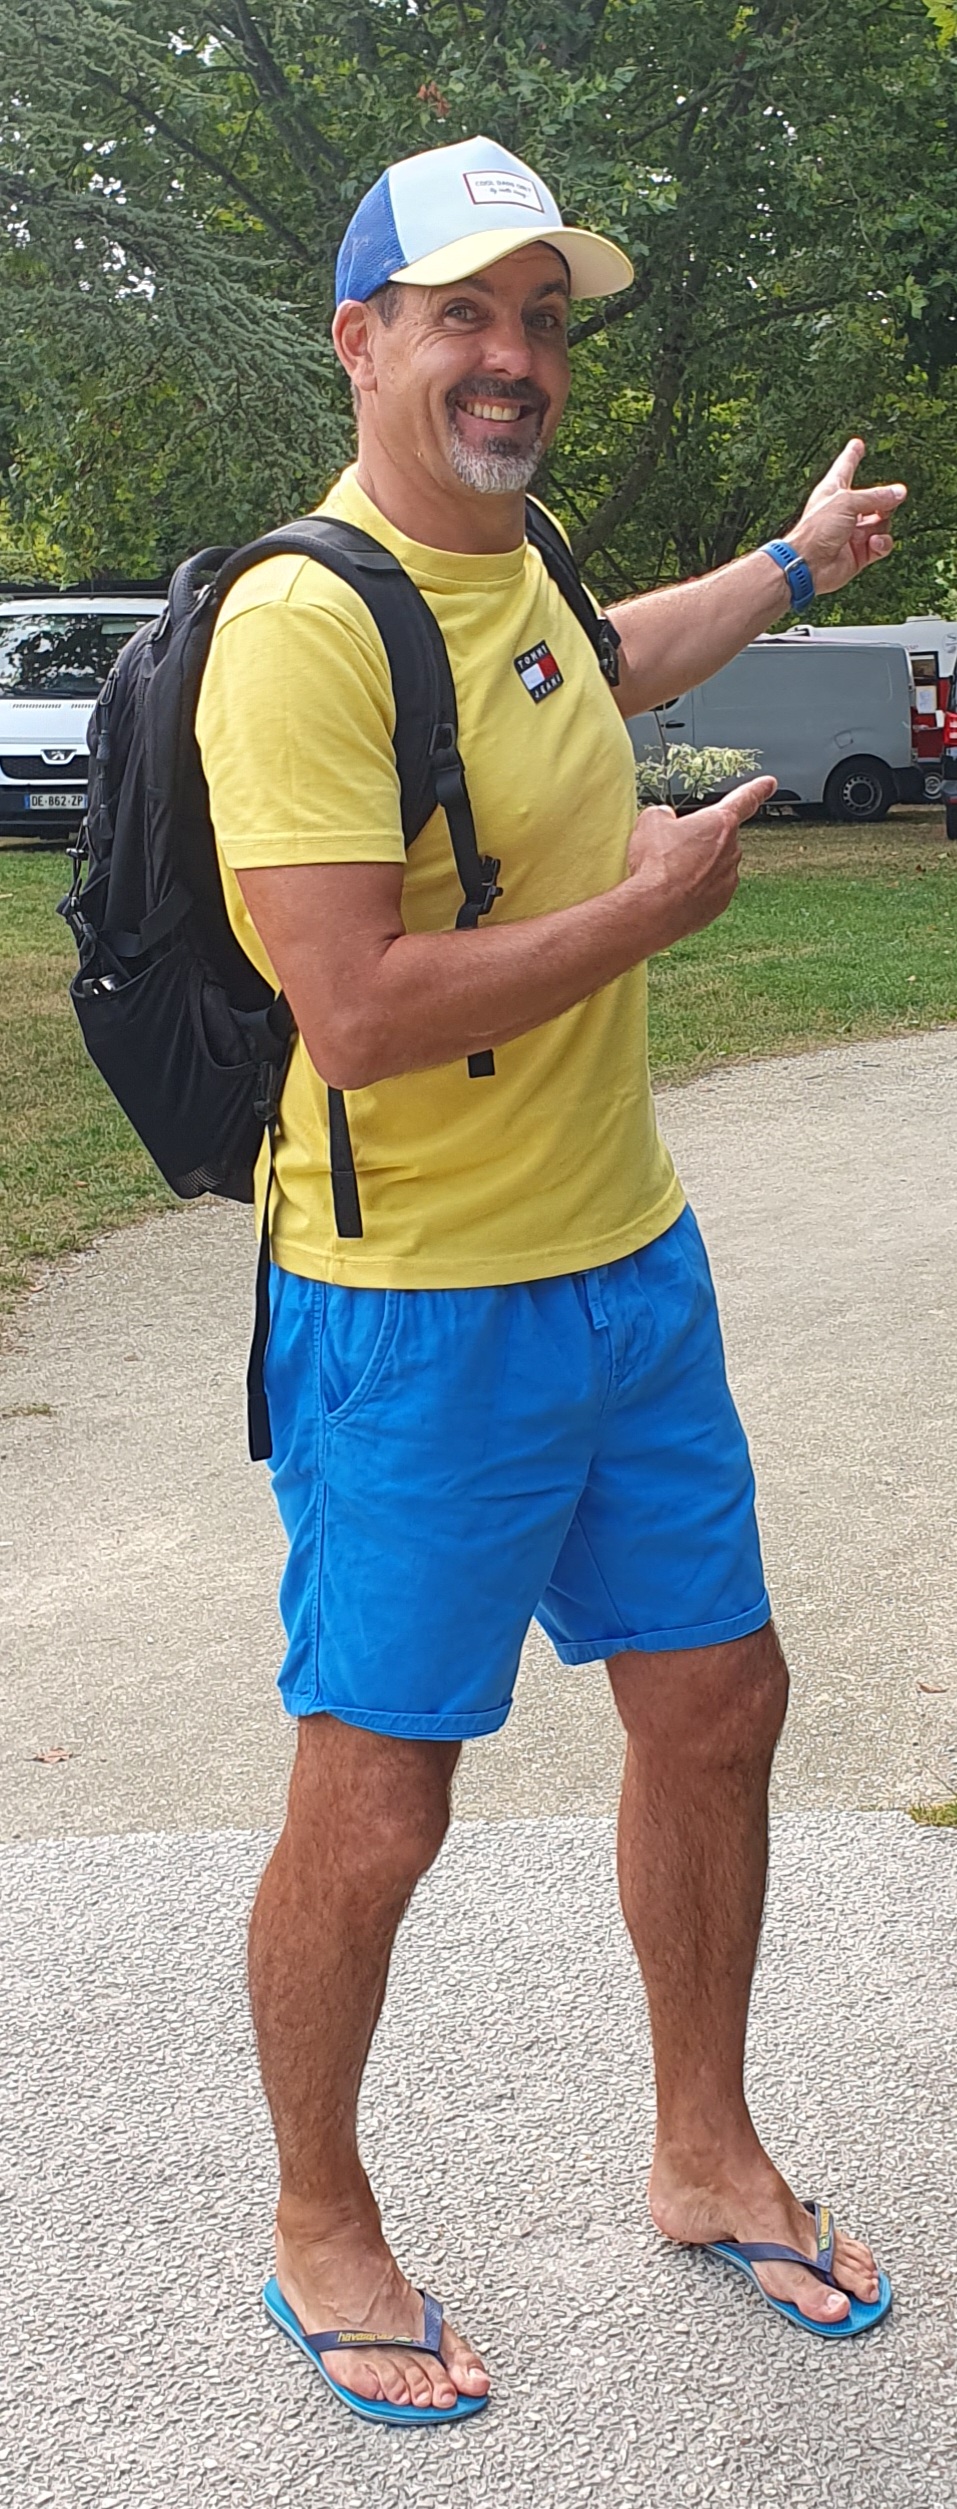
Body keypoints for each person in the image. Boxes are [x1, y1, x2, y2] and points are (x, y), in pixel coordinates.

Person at [196, 135, 902, 2423]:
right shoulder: (307, 623)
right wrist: (647, 914)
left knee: (715, 1710)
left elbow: (600, 668)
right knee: (379, 1799)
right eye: (461, 317)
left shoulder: (520, 567)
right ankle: (318, 2215)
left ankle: (700, 2151)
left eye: (538, 320)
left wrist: (789, 563)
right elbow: (355, 1009)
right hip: (414, 1311)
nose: (510, 358)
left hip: (627, 1269)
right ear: (361, 342)